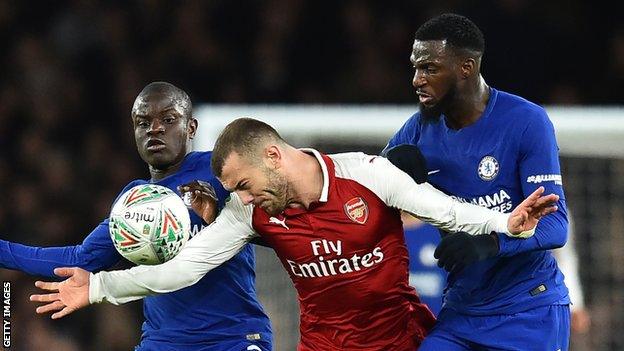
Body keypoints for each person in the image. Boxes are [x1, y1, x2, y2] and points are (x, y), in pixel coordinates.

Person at [30, 118, 560, 350]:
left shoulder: (367, 175)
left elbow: (440, 207)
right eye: (234, 189)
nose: (241, 196)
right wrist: (99, 288)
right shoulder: (248, 213)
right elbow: (181, 269)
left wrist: (504, 222)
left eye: (244, 183)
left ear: (275, 156)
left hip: (401, 338)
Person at [1, 82, 273, 351]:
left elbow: (272, 230)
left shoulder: (219, 170)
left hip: (233, 337)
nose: (154, 129)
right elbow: (79, 260)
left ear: (191, 127)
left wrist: (217, 219)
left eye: (168, 119)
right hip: (163, 342)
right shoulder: (134, 203)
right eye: (143, 123)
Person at [384, 14, 570, 350]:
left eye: (429, 68)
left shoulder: (526, 121)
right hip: (462, 311)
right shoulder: (415, 132)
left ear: (466, 67)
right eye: (415, 68)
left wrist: (490, 243)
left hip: (528, 309)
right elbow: (362, 198)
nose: (417, 80)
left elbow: (556, 225)